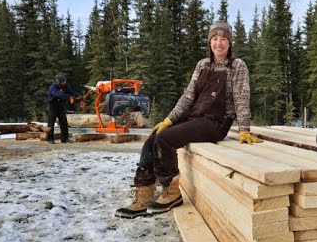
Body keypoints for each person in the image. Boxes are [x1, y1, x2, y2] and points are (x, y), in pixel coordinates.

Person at [115, 21, 263, 219]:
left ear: (229, 43)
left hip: (217, 122)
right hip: (195, 117)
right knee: (154, 137)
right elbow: (188, 97)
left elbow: (241, 97)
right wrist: (169, 119)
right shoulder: (202, 65)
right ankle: (144, 195)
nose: (219, 43)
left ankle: (171, 191)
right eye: (215, 39)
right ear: (210, 42)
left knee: (165, 140)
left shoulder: (237, 66)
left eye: (224, 39)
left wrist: (244, 128)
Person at [47, 74, 81, 144]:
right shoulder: (53, 87)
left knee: (64, 122)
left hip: (60, 106)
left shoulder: (65, 86)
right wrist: (69, 97)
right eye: (62, 82)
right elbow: (58, 94)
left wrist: (79, 96)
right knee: (51, 123)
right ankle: (50, 139)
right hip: (52, 106)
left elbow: (72, 91)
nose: (64, 83)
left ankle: (64, 139)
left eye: (64, 81)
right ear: (58, 82)